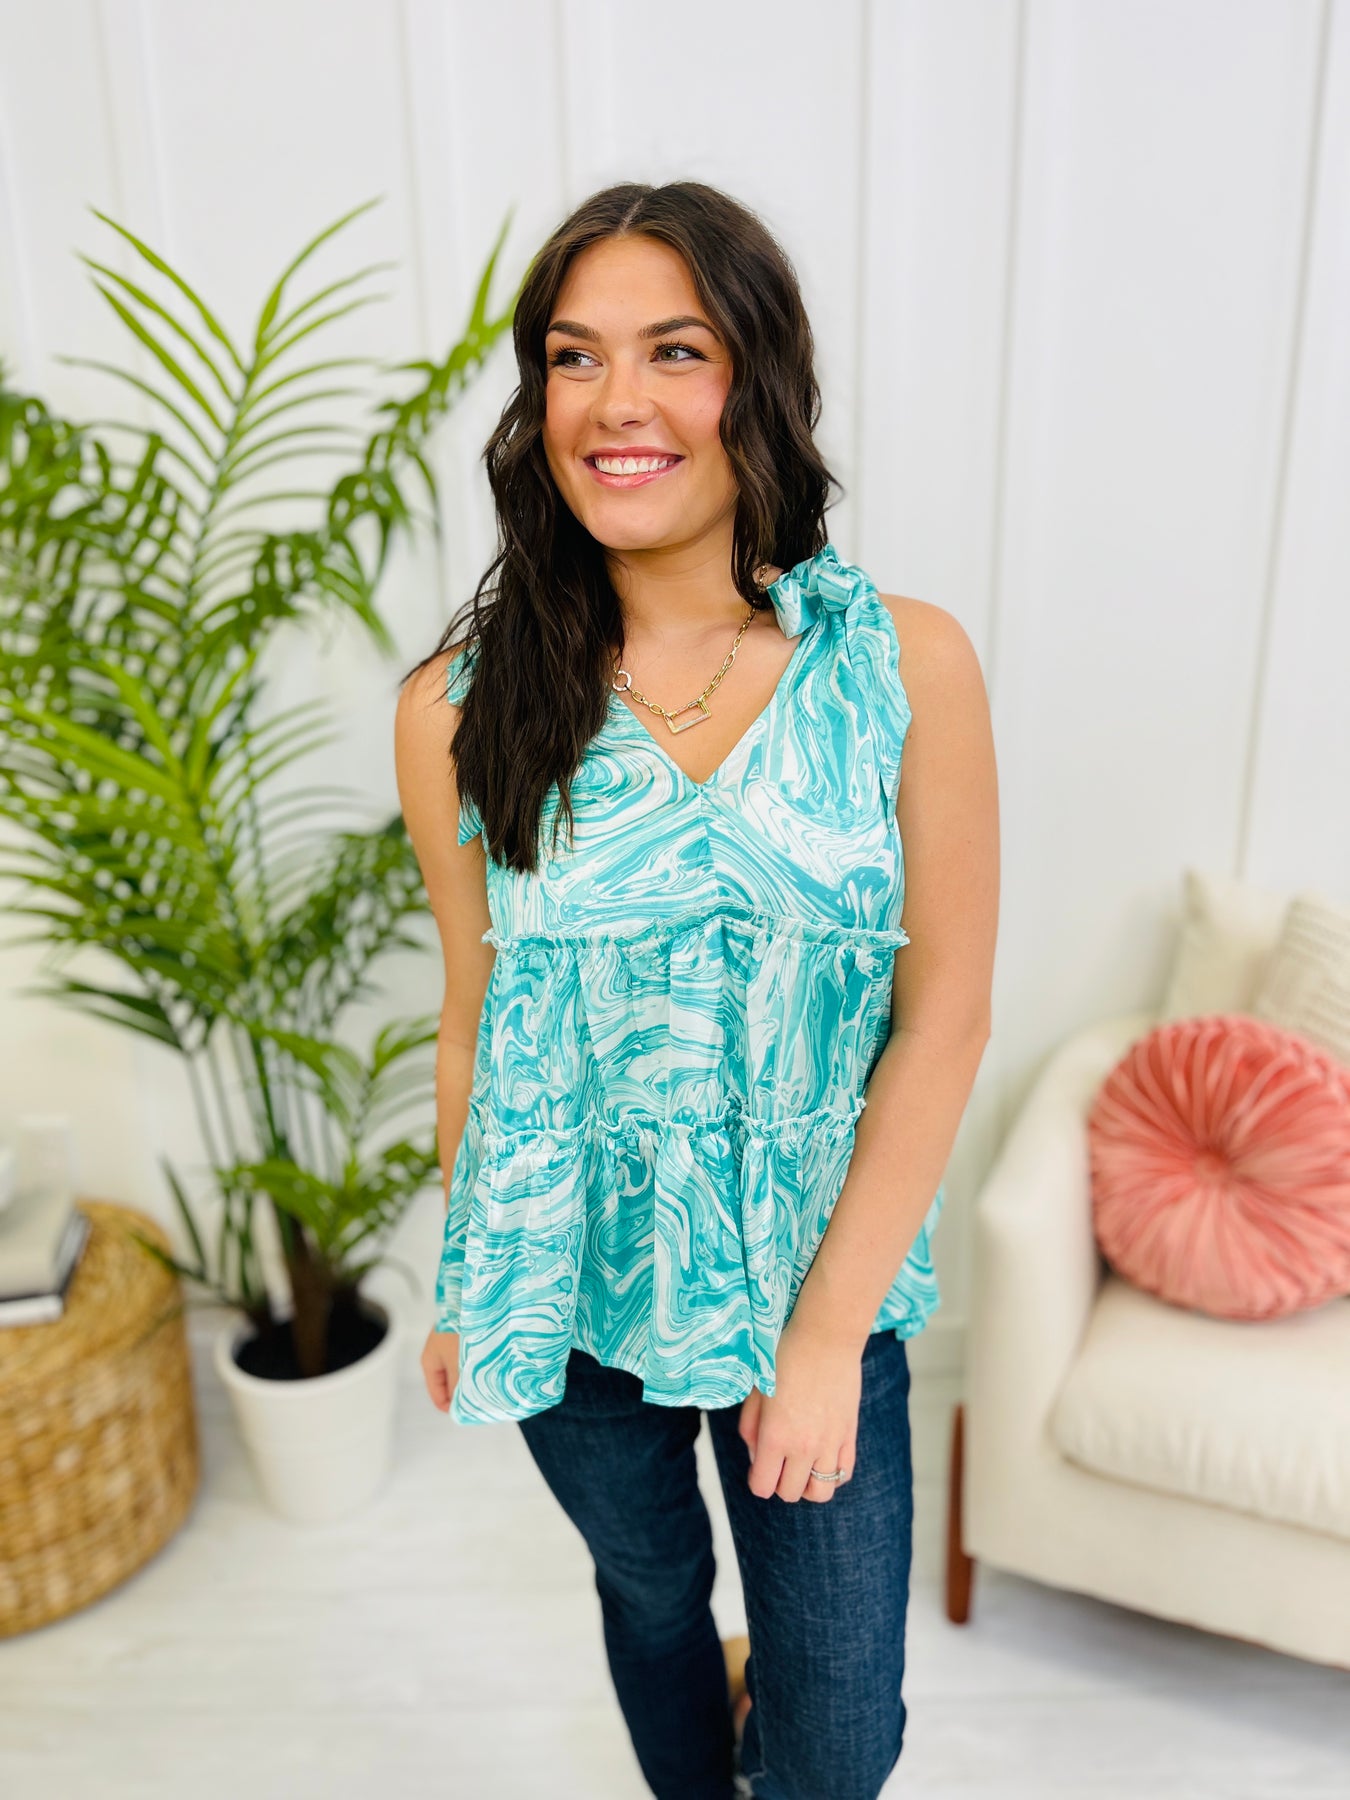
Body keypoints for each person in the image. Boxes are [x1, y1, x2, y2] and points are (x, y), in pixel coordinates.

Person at [395, 180, 999, 1800]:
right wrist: (469, 1277)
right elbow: (474, 1019)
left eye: (675, 350)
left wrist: (824, 1340)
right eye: (573, 356)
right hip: (563, 1274)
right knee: (653, 1594)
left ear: (758, 380)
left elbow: (941, 1017)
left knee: (837, 1738)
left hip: (811, 1276)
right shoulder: (459, 704)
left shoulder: (900, 665)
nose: (617, 401)